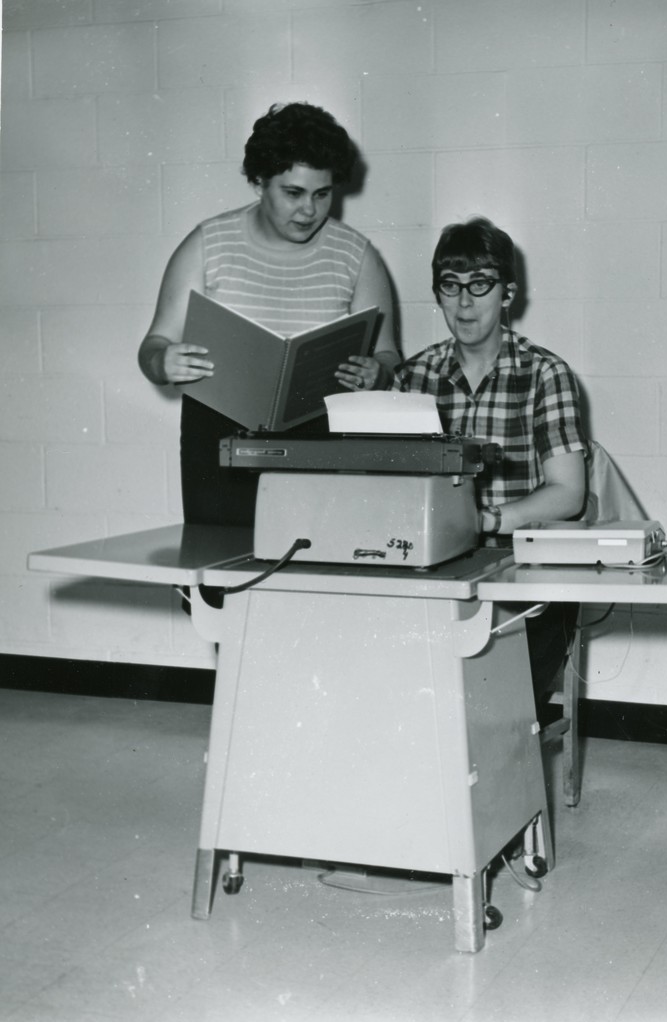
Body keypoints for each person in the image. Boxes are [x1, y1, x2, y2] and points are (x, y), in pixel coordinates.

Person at [138, 101, 398, 524]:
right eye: (293, 193)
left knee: (313, 565)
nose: (309, 211)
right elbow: (152, 348)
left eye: (322, 194)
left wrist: (378, 372)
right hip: (221, 437)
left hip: (320, 436)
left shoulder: (358, 256)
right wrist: (162, 361)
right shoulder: (207, 244)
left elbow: (389, 357)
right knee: (218, 566)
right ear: (259, 182)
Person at [391, 216, 587, 714]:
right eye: (450, 286)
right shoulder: (412, 377)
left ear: (508, 293)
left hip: (523, 569)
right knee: (403, 691)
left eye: (480, 285)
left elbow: (568, 493)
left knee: (494, 708)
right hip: (433, 568)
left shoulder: (546, 373)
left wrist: (486, 521)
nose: (464, 302)